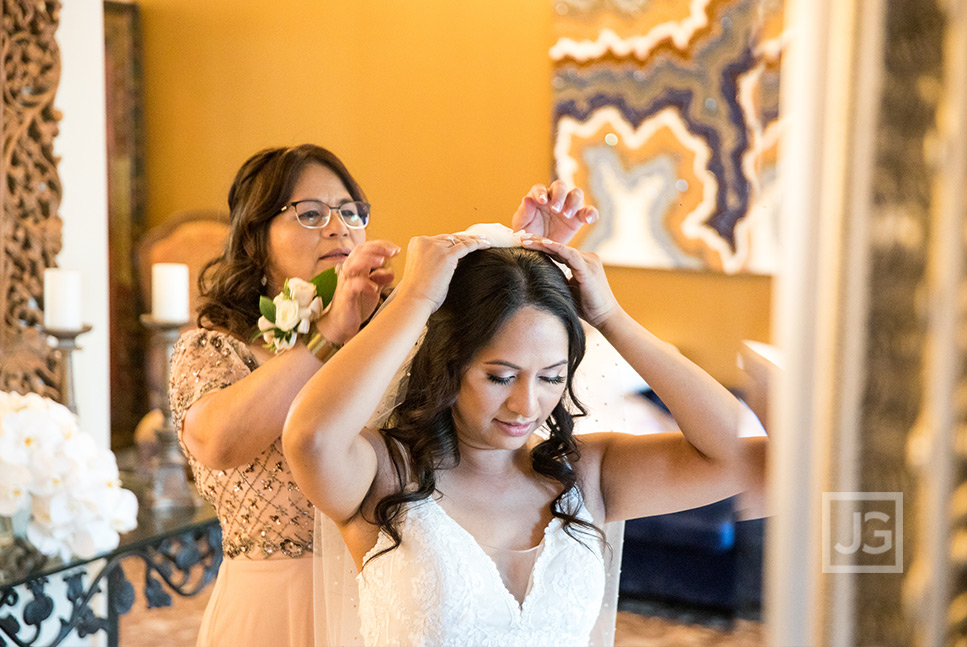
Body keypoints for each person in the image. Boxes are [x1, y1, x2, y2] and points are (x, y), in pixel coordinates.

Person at [168, 143, 598, 647]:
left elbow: (491, 344)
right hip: (272, 606)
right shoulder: (213, 347)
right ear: (255, 239)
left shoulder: (400, 331)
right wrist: (328, 332)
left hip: (395, 595)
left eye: (351, 211)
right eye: (310, 214)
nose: (338, 226)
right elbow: (220, 443)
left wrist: (530, 252)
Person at [282, 233, 767, 647]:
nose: (527, 405)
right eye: (500, 377)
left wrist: (611, 316)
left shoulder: (589, 474)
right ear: (449, 364)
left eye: (551, 377)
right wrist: (415, 299)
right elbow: (309, 439)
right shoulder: (382, 474)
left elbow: (732, 446)